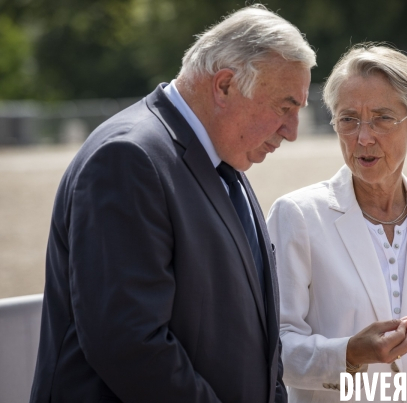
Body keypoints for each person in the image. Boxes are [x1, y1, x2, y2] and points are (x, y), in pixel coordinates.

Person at [29, 5, 315, 403]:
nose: (292, 131)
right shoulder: (127, 160)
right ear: (225, 86)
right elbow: (130, 346)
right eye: (285, 107)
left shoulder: (223, 160)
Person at [267, 44, 407, 402]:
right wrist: (348, 354)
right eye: (348, 119)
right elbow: (273, 347)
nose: (363, 137)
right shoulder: (297, 216)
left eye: (382, 118)